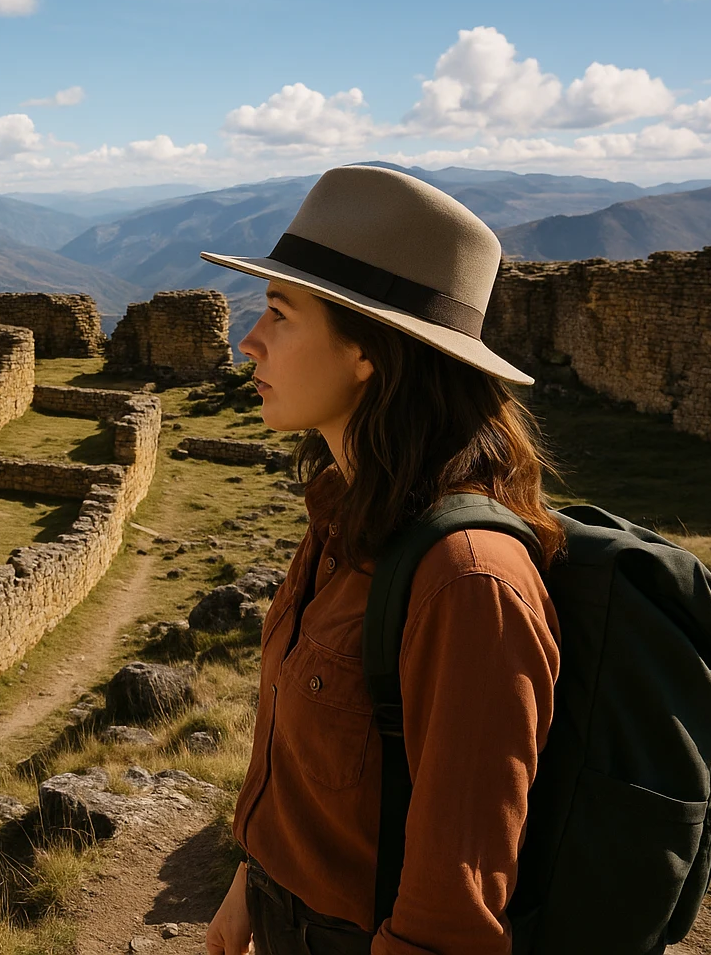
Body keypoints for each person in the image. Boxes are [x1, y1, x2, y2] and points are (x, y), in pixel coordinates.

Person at [199, 165, 565, 955]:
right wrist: (253, 878)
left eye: (279, 313)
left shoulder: (468, 581)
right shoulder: (344, 514)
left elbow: (451, 915)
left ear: (367, 351)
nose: (247, 340)